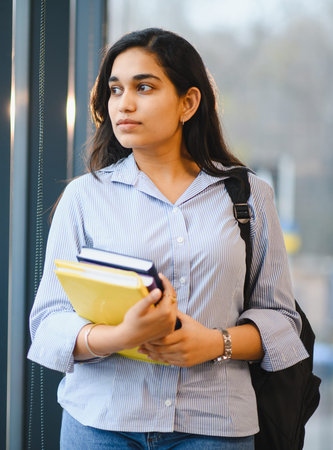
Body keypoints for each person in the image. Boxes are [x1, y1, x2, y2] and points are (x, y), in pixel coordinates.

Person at [28, 28, 309, 449]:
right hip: (100, 425)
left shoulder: (249, 195)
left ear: (188, 102)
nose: (124, 103)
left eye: (144, 87)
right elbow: (49, 324)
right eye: (115, 89)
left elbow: (283, 323)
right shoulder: (83, 197)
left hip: (214, 427)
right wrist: (120, 337)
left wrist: (215, 343)